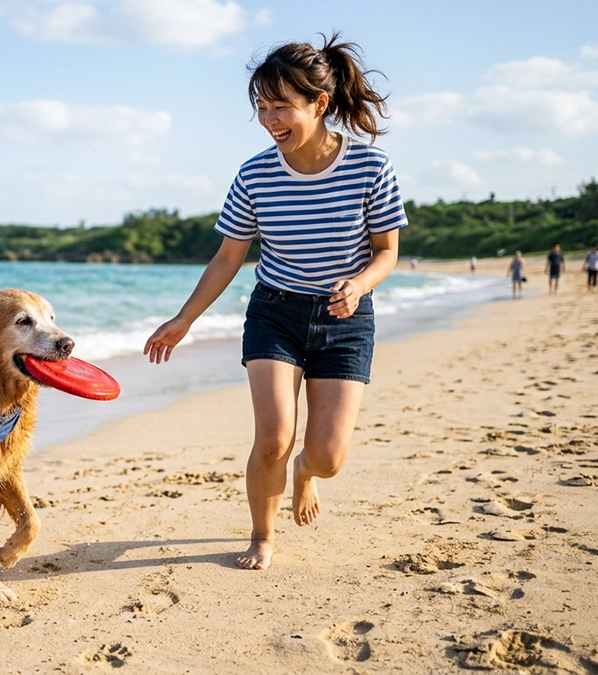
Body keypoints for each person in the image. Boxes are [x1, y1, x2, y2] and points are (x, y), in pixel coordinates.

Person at [142, 33, 405, 571]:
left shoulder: (371, 168)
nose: (269, 119)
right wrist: (183, 319)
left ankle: (305, 477)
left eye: (281, 106)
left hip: (345, 321)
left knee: (328, 458)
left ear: (320, 104)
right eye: (261, 107)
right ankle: (262, 534)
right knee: (273, 439)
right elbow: (227, 258)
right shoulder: (256, 174)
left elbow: (386, 252)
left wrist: (359, 284)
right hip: (275, 314)